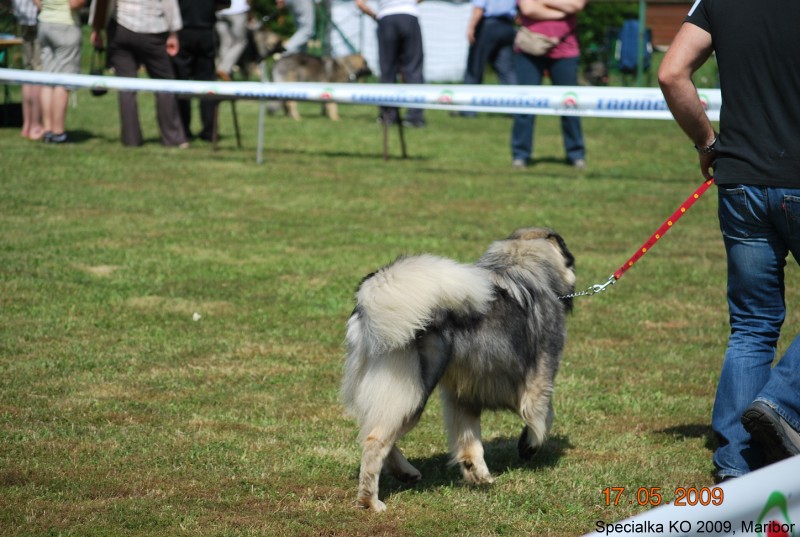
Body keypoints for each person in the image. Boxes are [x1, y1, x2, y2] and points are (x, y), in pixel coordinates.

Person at [658, 0, 800, 482]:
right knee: (754, 326)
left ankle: (737, 468)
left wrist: (707, 144)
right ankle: (782, 403)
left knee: (752, 327)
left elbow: (672, 73)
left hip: (740, 181)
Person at [89, 0, 189, 148]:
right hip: (153, 29)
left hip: (120, 28)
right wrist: (173, 32)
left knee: (126, 87)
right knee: (165, 85)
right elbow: (169, 3)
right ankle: (173, 138)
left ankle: (130, 139)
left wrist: (97, 28)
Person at [510, 0, 586, 169]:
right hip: (530, 48)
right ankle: (520, 154)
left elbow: (577, 6)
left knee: (570, 104)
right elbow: (528, 9)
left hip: (566, 50)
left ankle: (576, 154)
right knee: (525, 103)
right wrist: (562, 11)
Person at [355, 0, 425, 128]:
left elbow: (360, 3)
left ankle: (387, 115)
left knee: (387, 70)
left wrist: (375, 15)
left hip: (386, 17)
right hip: (409, 15)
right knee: (413, 68)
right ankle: (415, 116)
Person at [173, 0, 230, 142]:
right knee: (208, 83)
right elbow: (225, 3)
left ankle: (184, 130)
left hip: (182, 30)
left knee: (181, 82)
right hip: (205, 31)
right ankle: (210, 130)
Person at [34, 0, 84, 144]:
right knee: (63, 81)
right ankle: (58, 132)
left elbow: (38, 2)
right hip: (65, 25)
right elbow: (75, 3)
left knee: (48, 81)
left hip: (44, 24)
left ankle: (48, 130)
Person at [460, 0, 517, 116]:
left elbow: (479, 7)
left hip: (488, 26)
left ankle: (468, 109)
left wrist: (471, 27)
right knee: (506, 70)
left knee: (474, 68)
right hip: (507, 26)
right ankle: (515, 107)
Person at [12, 0, 44, 141]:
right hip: (36, 19)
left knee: (28, 72)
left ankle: (27, 125)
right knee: (38, 73)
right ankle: (35, 125)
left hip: (22, 18)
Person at [215, 0, 250, 80]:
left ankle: (225, 73)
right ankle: (224, 68)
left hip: (220, 11)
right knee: (241, 42)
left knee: (226, 42)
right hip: (237, 11)